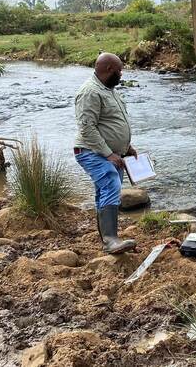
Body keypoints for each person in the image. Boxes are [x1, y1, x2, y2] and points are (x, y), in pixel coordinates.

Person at [74, 52, 137, 254]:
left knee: (107, 191)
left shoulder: (109, 90)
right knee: (110, 181)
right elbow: (87, 128)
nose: (121, 74)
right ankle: (110, 240)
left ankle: (109, 240)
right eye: (119, 70)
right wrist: (108, 154)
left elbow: (111, 123)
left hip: (111, 152)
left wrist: (126, 147)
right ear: (109, 69)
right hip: (90, 151)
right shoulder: (90, 92)